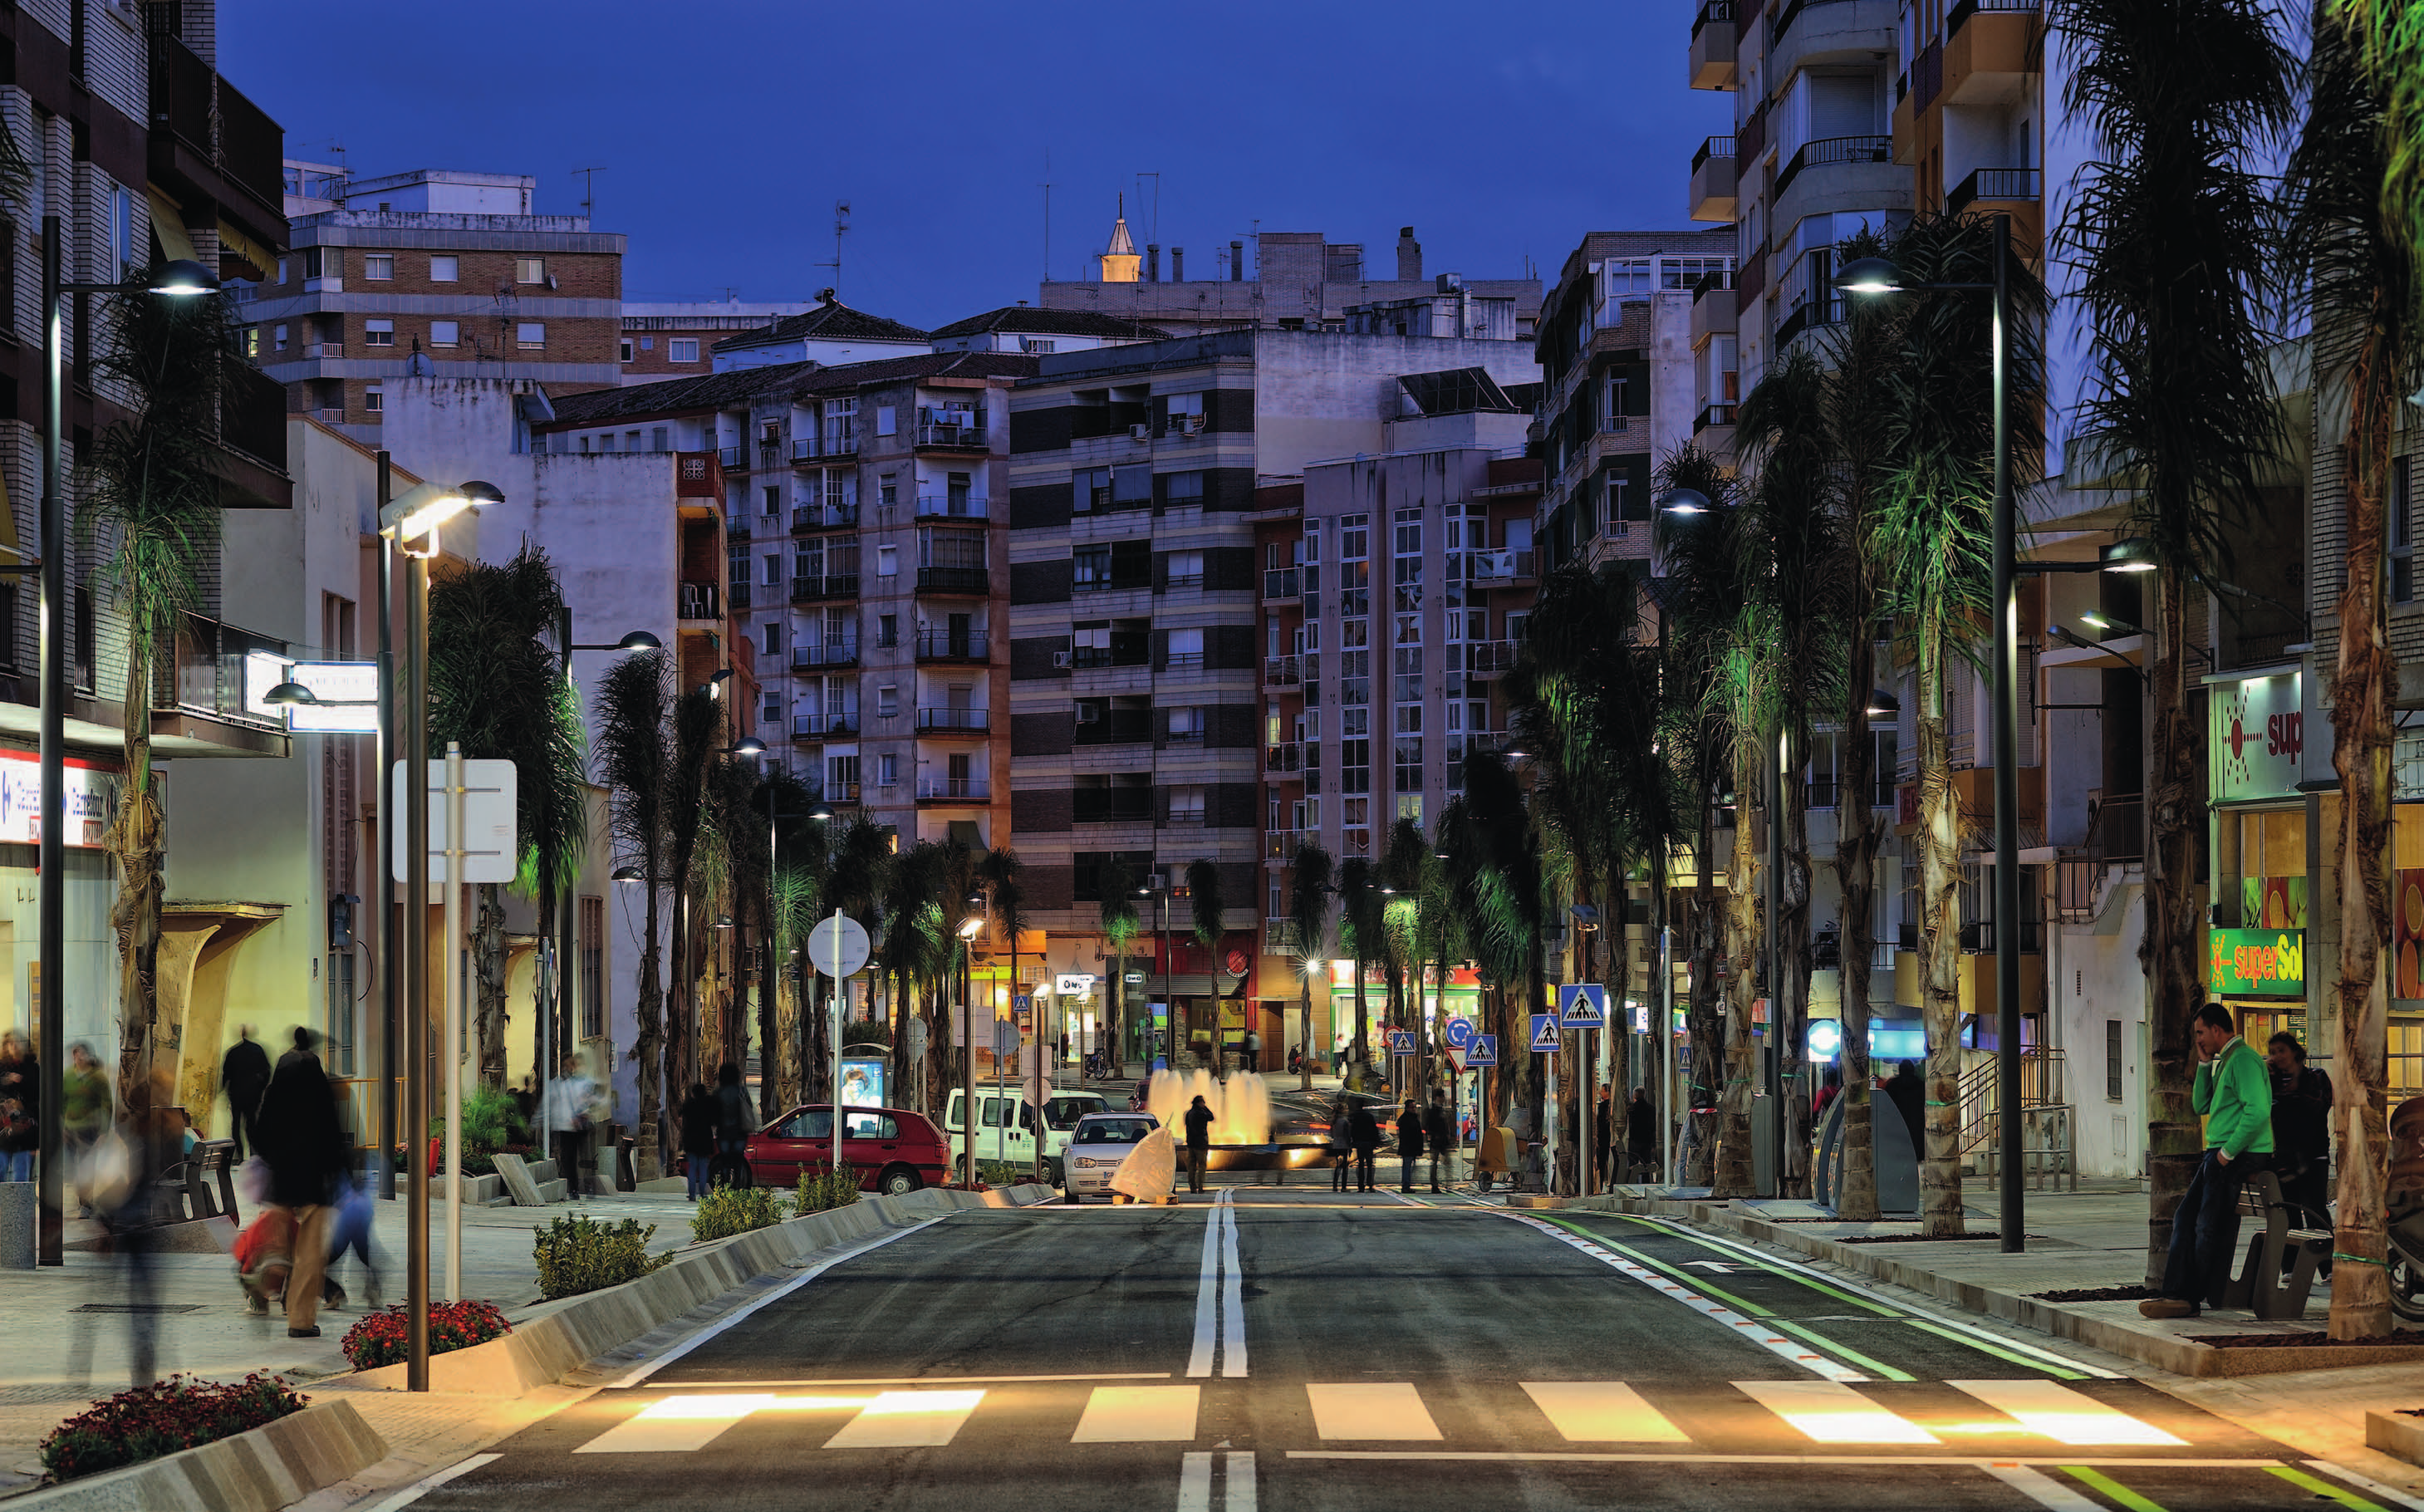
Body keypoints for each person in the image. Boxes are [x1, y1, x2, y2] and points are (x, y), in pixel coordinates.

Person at [2142, 1004, 2274, 1318]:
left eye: (2201, 1032)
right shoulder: (2225, 1060)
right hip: (2219, 1153)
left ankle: (2189, 1296)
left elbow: (2257, 1110)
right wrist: (2203, 1065)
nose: (2198, 1039)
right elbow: (2202, 1104)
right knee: (2186, 1218)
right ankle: (2174, 1292)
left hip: (2236, 1154)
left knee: (2205, 1224)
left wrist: (2226, 1154)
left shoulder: (2242, 1059)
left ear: (2217, 1029)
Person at [252, 1028, 346, 1339]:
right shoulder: (320, 1089)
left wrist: (274, 1161)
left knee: (279, 1243)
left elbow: (259, 1136)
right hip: (314, 1182)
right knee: (310, 1254)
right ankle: (301, 1321)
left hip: (281, 1180)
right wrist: (339, 1173)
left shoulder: (274, 1090)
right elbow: (334, 1137)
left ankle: (268, 1272)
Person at [2267, 1030, 2333, 1267]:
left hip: (2314, 1153)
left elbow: (2317, 1108)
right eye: (2272, 1052)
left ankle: (2326, 1266)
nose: (2276, 1057)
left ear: (2295, 1051)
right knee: (2290, 1212)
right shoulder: (2272, 1082)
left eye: (2281, 1051)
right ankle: (2290, 1267)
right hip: (2285, 1156)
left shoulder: (2316, 1077)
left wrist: (2290, 1091)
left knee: (2315, 1209)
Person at [62, 1043, 110, 1213]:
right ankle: (82, 1197)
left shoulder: (98, 1078)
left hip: (90, 1129)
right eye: (75, 1055)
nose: (79, 1058)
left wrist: (103, 1132)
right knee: (72, 1168)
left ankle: (85, 1203)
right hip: (70, 1128)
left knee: (86, 1166)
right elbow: (62, 1102)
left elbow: (106, 1105)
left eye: (82, 1054)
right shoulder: (68, 1076)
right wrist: (61, 1126)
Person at [544, 1055, 598, 1199]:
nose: (567, 1068)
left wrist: (583, 1112)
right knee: (569, 1159)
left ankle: (588, 1187)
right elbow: (552, 1103)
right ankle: (574, 1190)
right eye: (565, 1066)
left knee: (584, 1157)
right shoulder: (557, 1084)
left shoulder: (581, 1082)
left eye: (569, 1065)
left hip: (579, 1126)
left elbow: (590, 1100)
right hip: (565, 1128)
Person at [220, 1025, 271, 1163]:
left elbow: (226, 1074)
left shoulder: (233, 1052)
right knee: (251, 1125)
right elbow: (266, 1071)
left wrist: (224, 1089)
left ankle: (240, 1155)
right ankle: (254, 1154)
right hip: (253, 1095)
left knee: (236, 1125)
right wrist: (261, 1088)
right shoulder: (258, 1050)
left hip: (236, 1095)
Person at [0, 1028, 36, 1182]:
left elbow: (38, 1097)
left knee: (21, 1175)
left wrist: (22, 1103)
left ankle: (19, 1205)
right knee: (1, 1169)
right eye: (10, 1043)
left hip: (24, 1132)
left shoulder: (33, 1069)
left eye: (18, 1043)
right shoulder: (2, 1068)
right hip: (3, 1130)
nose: (14, 1046)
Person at [714, 1061, 753, 1185]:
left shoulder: (718, 1093)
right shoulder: (741, 1091)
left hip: (724, 1133)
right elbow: (749, 1107)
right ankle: (737, 1187)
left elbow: (714, 1114)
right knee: (738, 1162)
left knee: (725, 1161)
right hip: (739, 1133)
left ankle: (725, 1186)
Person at [680, 1082, 717, 1201]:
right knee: (703, 1168)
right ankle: (702, 1193)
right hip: (704, 1139)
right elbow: (713, 1121)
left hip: (691, 1140)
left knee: (692, 1167)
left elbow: (682, 1118)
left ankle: (692, 1194)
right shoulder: (708, 1105)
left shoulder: (689, 1105)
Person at [1884, 1061, 1926, 1156]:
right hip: (1917, 1122)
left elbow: (1887, 1105)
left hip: (1897, 1123)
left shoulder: (1892, 1086)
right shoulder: (1921, 1085)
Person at [1424, 1090, 1454, 1194]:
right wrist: (1431, 1136)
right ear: (1437, 1097)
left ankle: (1447, 1184)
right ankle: (1434, 1184)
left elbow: (1446, 1125)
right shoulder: (1432, 1111)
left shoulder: (1442, 1110)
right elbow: (1428, 1125)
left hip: (1443, 1141)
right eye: (1442, 1097)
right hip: (1436, 1140)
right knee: (1434, 1164)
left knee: (1447, 1162)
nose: (1444, 1099)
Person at [1183, 1094, 1214, 1194]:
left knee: (1191, 1166)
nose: (1204, 1104)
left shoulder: (1189, 1113)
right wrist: (1206, 1108)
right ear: (1199, 1103)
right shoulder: (1201, 1113)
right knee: (1201, 1166)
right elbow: (1211, 1117)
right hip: (1200, 1143)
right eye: (1203, 1102)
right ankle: (1200, 1187)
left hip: (1190, 1143)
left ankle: (1192, 1187)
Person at [1396, 1097, 1426, 1193]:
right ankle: (1406, 1185)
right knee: (1407, 1167)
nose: (1414, 1109)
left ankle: (1407, 1184)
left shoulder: (1411, 1118)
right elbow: (1409, 1134)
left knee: (1408, 1167)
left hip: (1411, 1147)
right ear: (1407, 1108)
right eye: (1412, 1107)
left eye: (1415, 1107)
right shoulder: (1407, 1119)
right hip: (1408, 1147)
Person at [1627, 1087, 1656, 1184]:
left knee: (1632, 1164)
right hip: (1646, 1140)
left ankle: (1632, 1183)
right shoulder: (1651, 1108)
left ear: (1635, 1096)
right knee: (1646, 1165)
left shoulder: (1632, 1109)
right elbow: (1653, 1126)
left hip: (1635, 1139)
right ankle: (1646, 1184)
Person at [1327, 1094, 1355, 1192]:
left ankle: (1335, 1185)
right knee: (1344, 1167)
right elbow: (1347, 1135)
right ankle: (1344, 1186)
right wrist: (1350, 1146)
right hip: (1344, 1146)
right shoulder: (1344, 1122)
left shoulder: (1333, 1121)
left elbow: (1331, 1134)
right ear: (1343, 1110)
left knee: (1337, 1166)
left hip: (1336, 1145)